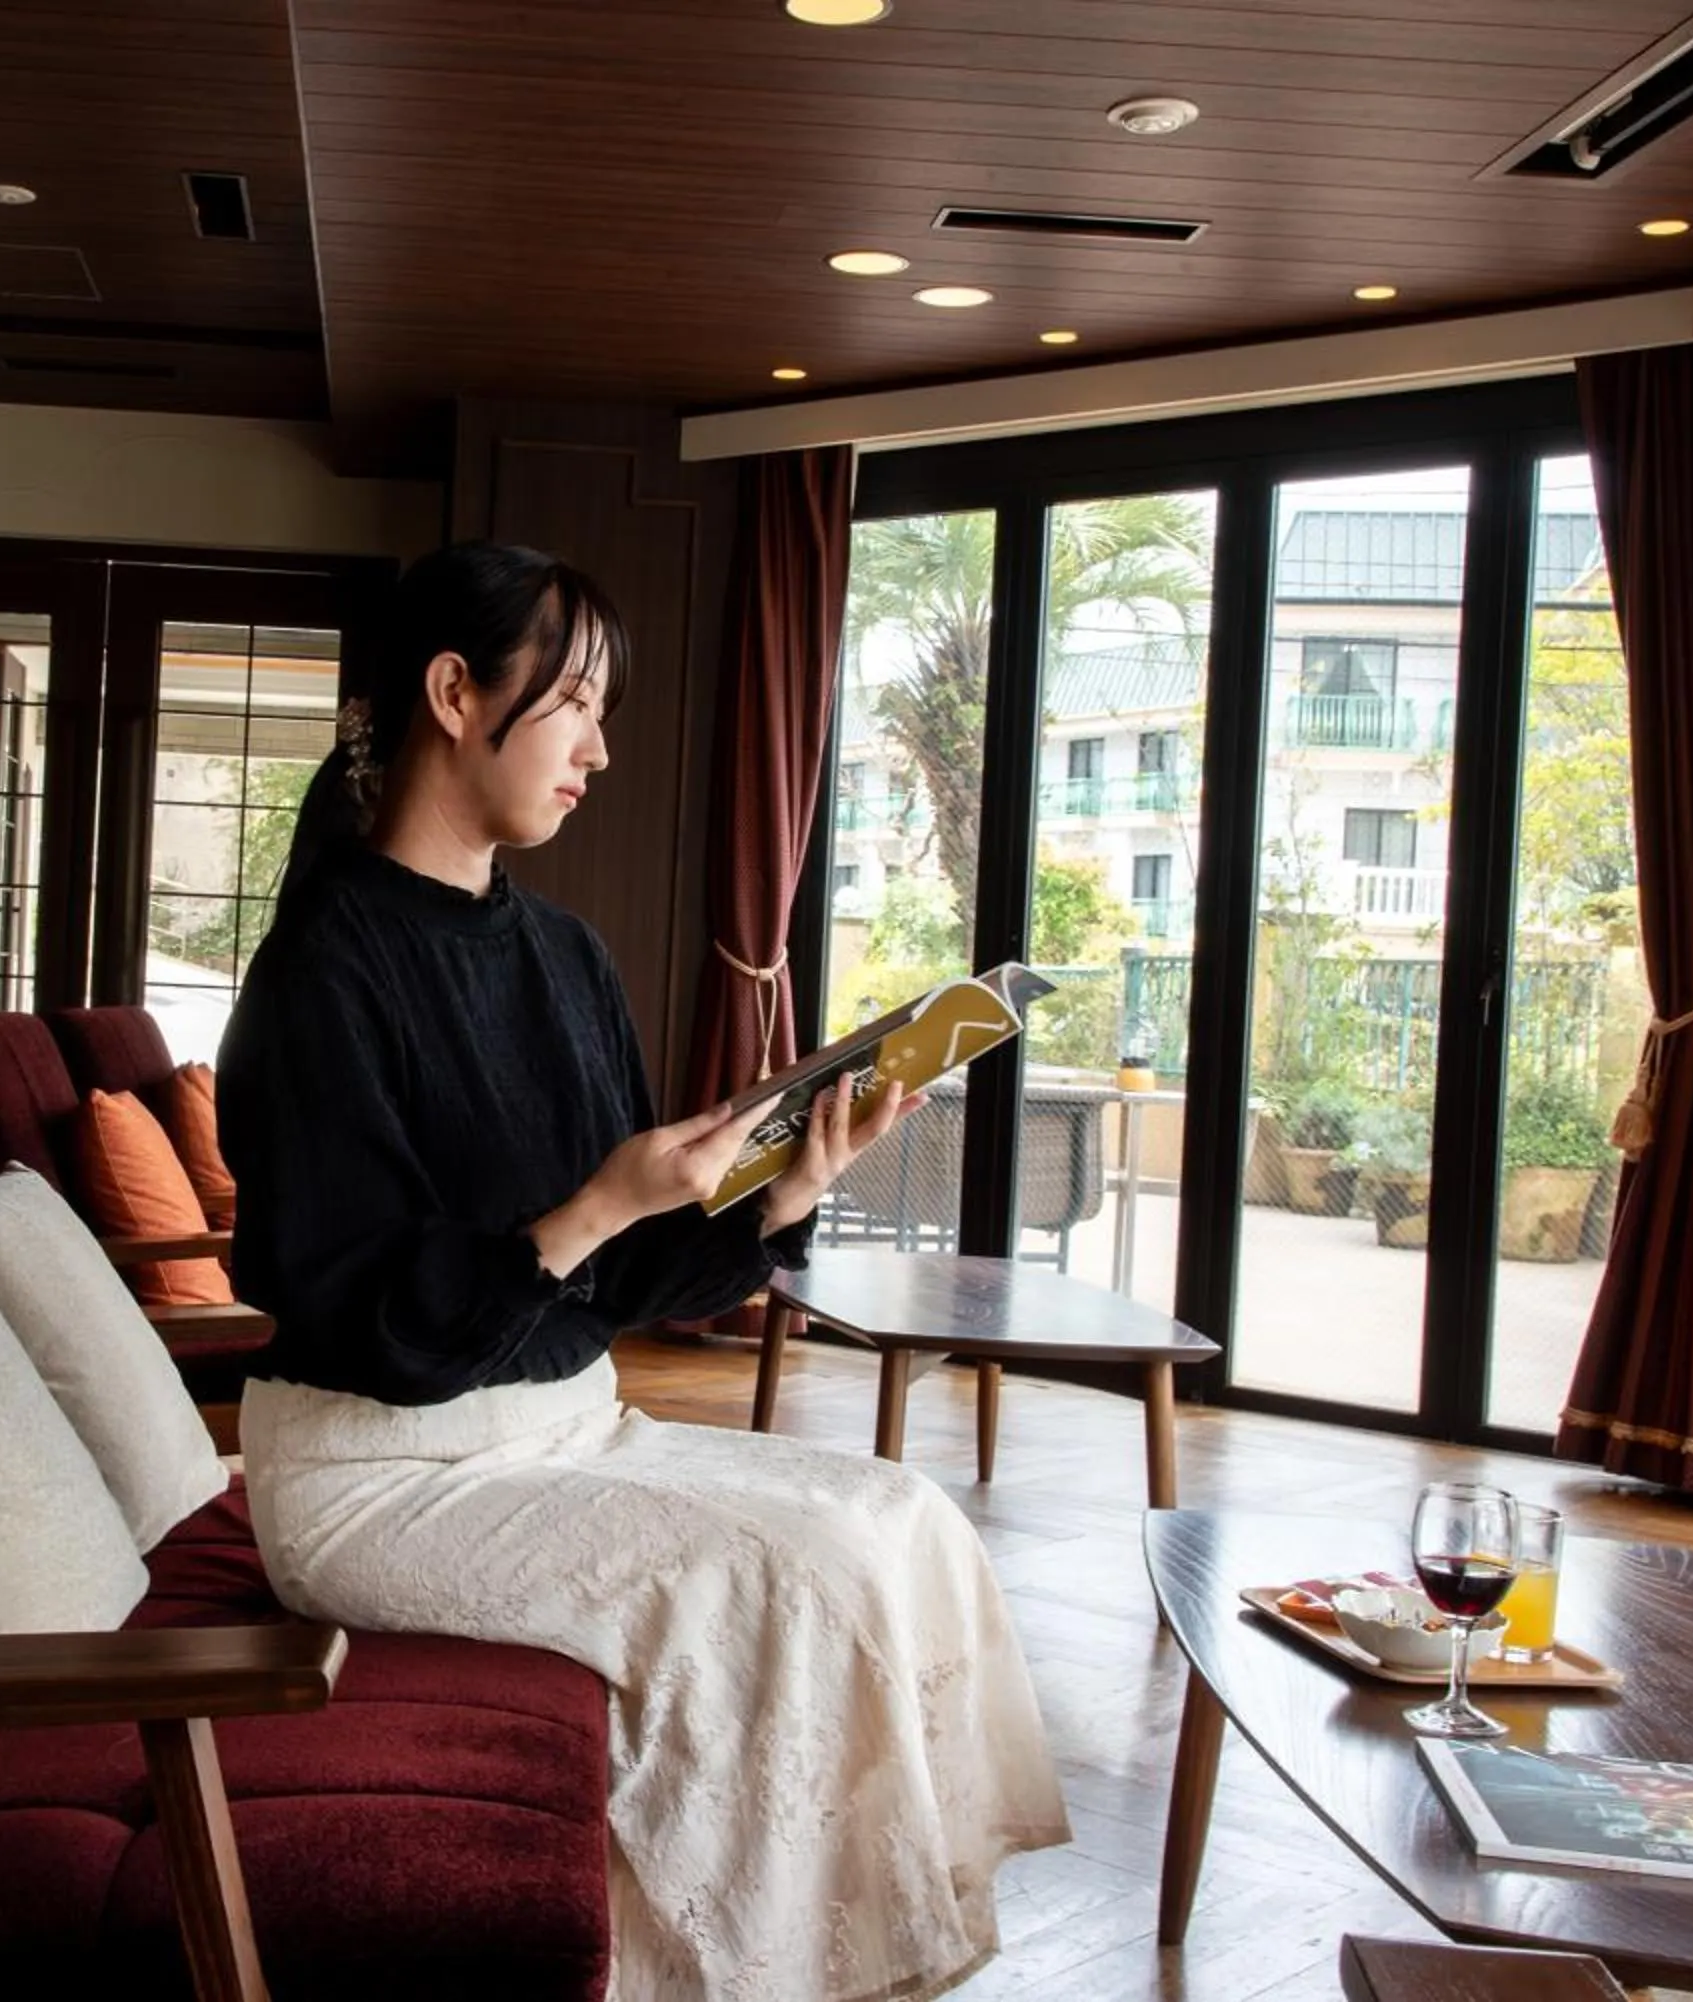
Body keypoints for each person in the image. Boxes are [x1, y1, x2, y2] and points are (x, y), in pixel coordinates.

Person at [217, 542, 1068, 2001]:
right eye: (576, 708)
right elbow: (374, 1320)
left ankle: (846, 1963)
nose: (602, 751)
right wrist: (582, 1211)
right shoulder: (322, 968)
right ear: (453, 694)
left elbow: (616, 1282)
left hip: (556, 1426)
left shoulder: (565, 956)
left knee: (897, 1511)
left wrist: (786, 1185)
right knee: (792, 1580)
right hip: (377, 1468)